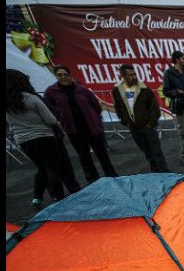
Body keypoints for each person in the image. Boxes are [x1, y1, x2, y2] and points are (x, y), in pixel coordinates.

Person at [7, 69, 81, 208]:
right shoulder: (31, 98)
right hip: (44, 137)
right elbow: (51, 119)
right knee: (53, 168)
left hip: (24, 141)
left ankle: (39, 197)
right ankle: (58, 197)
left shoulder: (8, 103)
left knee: (42, 168)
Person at [43, 65, 118, 183]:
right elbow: (48, 106)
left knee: (102, 154)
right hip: (73, 130)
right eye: (59, 75)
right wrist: (60, 118)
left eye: (65, 74)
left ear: (70, 75)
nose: (63, 77)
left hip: (92, 127)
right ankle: (92, 179)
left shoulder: (83, 90)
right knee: (83, 156)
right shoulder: (51, 92)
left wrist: (95, 119)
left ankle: (112, 175)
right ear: (56, 76)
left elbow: (96, 106)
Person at [112, 64, 169, 172]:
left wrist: (150, 124)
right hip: (134, 127)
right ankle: (155, 172)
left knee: (156, 151)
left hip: (148, 126)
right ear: (123, 76)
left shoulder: (144, 89)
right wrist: (124, 121)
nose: (134, 77)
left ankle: (164, 172)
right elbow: (117, 106)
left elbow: (154, 108)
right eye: (130, 75)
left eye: (134, 74)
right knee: (146, 152)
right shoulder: (117, 90)